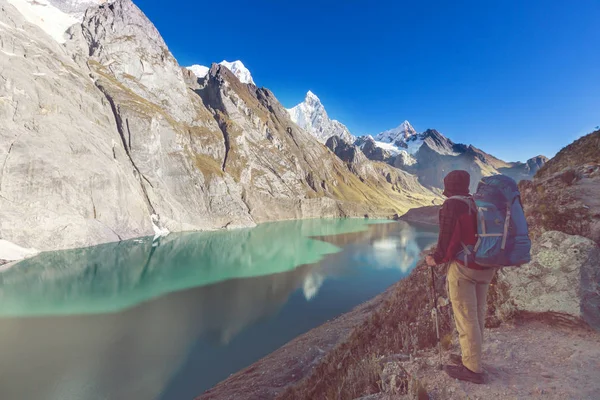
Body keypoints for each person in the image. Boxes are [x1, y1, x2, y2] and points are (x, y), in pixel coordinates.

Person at [425, 170, 496, 384]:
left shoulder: (452, 205)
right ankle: (471, 356)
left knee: (466, 318)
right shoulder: (475, 202)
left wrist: (435, 259)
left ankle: (473, 370)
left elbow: (447, 241)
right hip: (486, 266)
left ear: (448, 185)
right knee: (477, 314)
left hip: (465, 268)